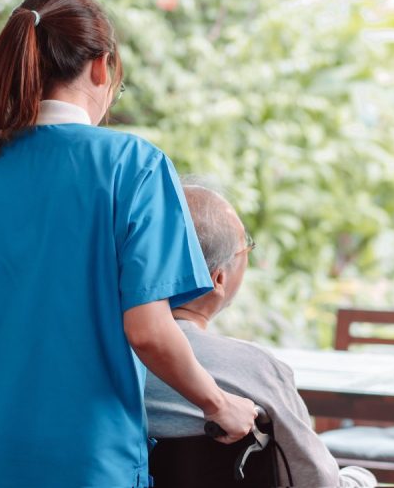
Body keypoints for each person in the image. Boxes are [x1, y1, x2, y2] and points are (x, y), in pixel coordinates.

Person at [0, 0, 256, 488]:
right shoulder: (134, 166)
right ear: (102, 68)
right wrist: (221, 404)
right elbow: (150, 331)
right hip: (81, 465)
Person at [145, 184, 377, 488]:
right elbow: (315, 479)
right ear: (218, 278)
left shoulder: (103, 358)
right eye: (246, 249)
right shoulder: (253, 369)